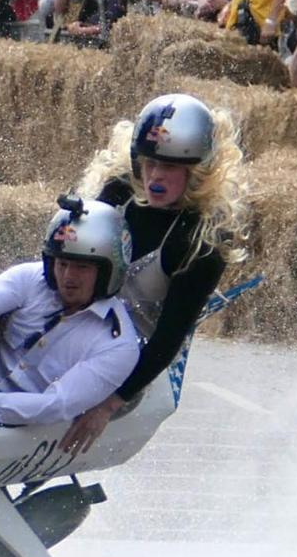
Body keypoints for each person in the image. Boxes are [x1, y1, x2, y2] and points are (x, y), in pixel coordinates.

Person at [57, 93, 249, 454]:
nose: (157, 177)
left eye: (172, 168)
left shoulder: (201, 241)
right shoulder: (117, 194)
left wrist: (108, 405)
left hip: (126, 358)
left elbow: (168, 337)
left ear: (197, 172)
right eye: (150, 164)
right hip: (76, 325)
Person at [0, 198, 139, 427]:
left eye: (82, 267)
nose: (68, 277)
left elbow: (58, 404)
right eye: (62, 264)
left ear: (107, 273)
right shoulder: (31, 277)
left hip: (16, 414)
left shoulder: (119, 345)